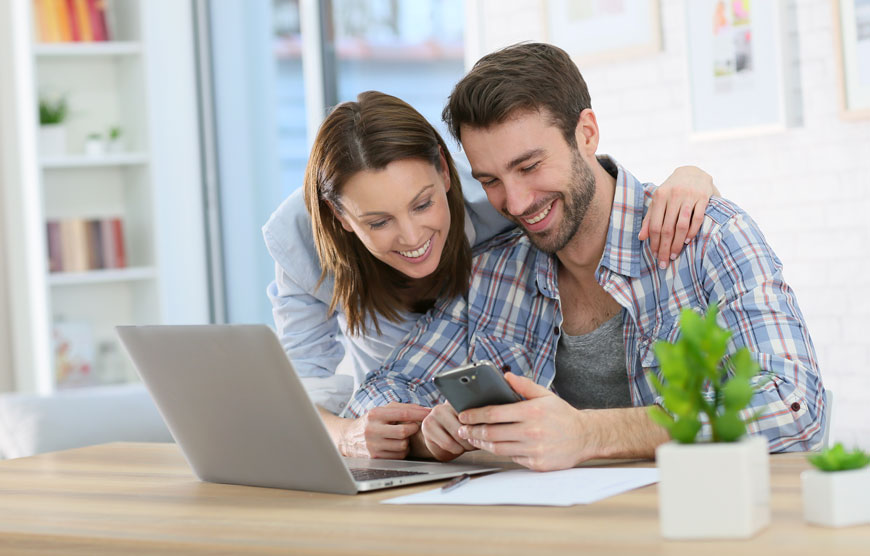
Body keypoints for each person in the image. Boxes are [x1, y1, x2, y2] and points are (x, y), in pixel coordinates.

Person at [346, 43, 825, 471]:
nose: (514, 202)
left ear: (588, 133)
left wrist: (590, 435)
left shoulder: (710, 237)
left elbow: (793, 404)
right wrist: (429, 433)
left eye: (529, 166)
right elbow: (379, 397)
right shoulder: (491, 274)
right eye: (490, 180)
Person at [263, 91, 718, 460]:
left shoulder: (502, 209)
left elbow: (575, 183)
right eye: (378, 222)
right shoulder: (302, 242)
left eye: (423, 204)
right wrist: (364, 433)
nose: (411, 235)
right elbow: (317, 395)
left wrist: (691, 178)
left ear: (444, 172)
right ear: (341, 217)